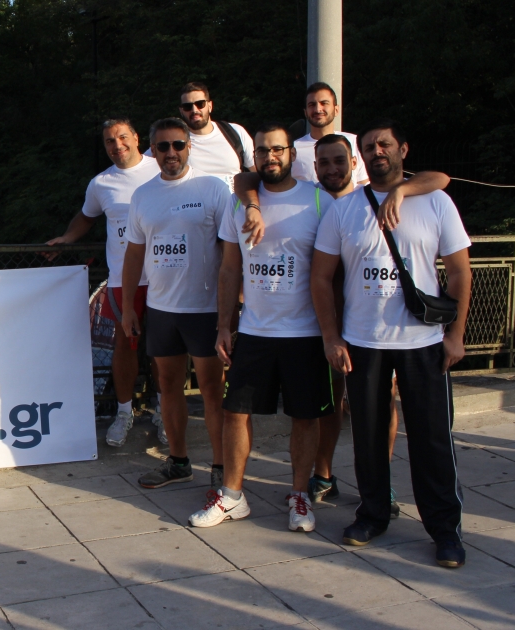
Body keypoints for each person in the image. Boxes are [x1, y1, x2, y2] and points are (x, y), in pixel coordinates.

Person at [235, 133, 451, 513]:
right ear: (314, 167)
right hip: (332, 325)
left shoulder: (377, 194)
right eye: (324, 163)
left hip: (381, 327)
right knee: (331, 404)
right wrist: (252, 203)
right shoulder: (321, 201)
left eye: (340, 161)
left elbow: (440, 178)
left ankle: (382, 485)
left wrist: (401, 191)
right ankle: (324, 474)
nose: (332, 169)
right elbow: (246, 178)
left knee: (385, 406)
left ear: (355, 163)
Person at [311, 120, 472, 568]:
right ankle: (373, 513)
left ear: (403, 149)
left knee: (432, 440)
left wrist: (456, 335)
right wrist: (331, 336)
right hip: (364, 341)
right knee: (367, 436)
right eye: (369, 146)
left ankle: (445, 529)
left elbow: (459, 271)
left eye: (384, 144)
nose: (377, 151)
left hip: (423, 341)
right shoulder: (344, 209)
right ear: (361, 157)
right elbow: (321, 277)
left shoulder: (434, 201)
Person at [189, 123, 335, 533]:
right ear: (253, 156)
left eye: (277, 150)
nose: (270, 157)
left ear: (291, 154)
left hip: (305, 332)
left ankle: (300, 495)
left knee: (305, 416)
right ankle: (233, 496)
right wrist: (224, 326)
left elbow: (333, 271)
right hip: (254, 331)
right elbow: (229, 269)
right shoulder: (239, 204)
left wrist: (334, 333)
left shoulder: (319, 201)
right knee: (235, 413)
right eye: (262, 151)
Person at [121, 117, 230, 490]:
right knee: (167, 386)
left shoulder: (212, 188)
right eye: (163, 146)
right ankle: (179, 461)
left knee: (212, 391)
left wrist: (231, 307)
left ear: (189, 147)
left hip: (205, 309)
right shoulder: (143, 195)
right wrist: (128, 308)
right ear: (152, 150)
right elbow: (134, 254)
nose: (171, 152)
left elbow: (231, 252)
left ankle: (221, 467)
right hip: (162, 309)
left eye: (178, 145)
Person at [46, 119, 163, 447]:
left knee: (163, 348)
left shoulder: (161, 169)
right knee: (125, 345)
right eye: (110, 141)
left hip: (164, 275)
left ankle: (165, 410)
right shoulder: (101, 183)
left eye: (122, 137)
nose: (117, 145)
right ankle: (124, 413)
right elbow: (87, 216)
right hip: (124, 280)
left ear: (136, 138)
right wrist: (68, 238)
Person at [177, 82, 255, 191]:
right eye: (187, 107)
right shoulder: (175, 142)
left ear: (210, 106)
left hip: (235, 200)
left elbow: (257, 171)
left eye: (200, 104)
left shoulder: (234, 132)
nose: (194, 110)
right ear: (181, 111)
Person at [290, 83, 369, 188]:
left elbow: (364, 186)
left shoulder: (355, 142)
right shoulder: (293, 149)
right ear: (305, 112)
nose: (318, 109)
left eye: (324, 103)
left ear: (336, 110)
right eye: (312, 105)